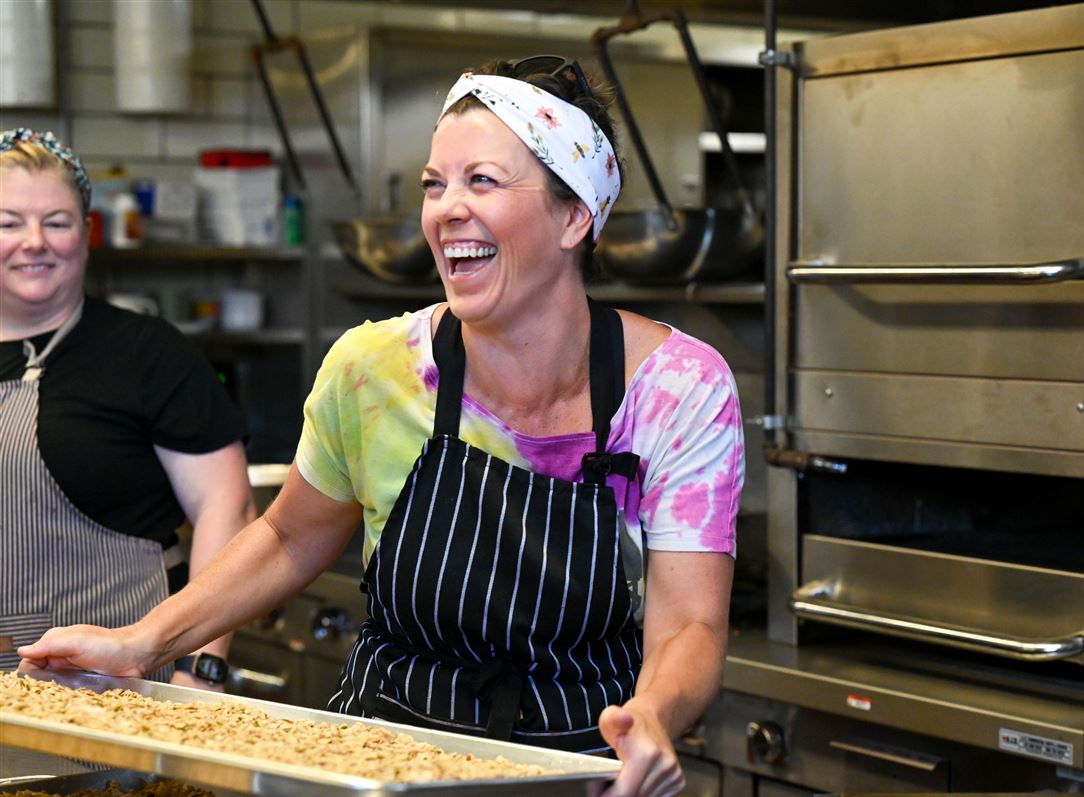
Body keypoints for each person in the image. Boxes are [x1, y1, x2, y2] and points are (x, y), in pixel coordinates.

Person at [19, 57, 743, 797]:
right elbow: (288, 535)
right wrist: (141, 642)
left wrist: (653, 715)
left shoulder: (677, 390)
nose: (445, 209)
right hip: (381, 758)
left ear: (574, 216)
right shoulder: (374, 370)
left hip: (580, 768)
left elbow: (691, 625)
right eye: (435, 184)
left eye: (481, 181)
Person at [0, 128, 256, 689]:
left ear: (87, 235)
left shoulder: (146, 353)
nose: (35, 240)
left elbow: (228, 508)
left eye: (58, 221)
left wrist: (200, 666)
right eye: (9, 222)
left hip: (119, 693)